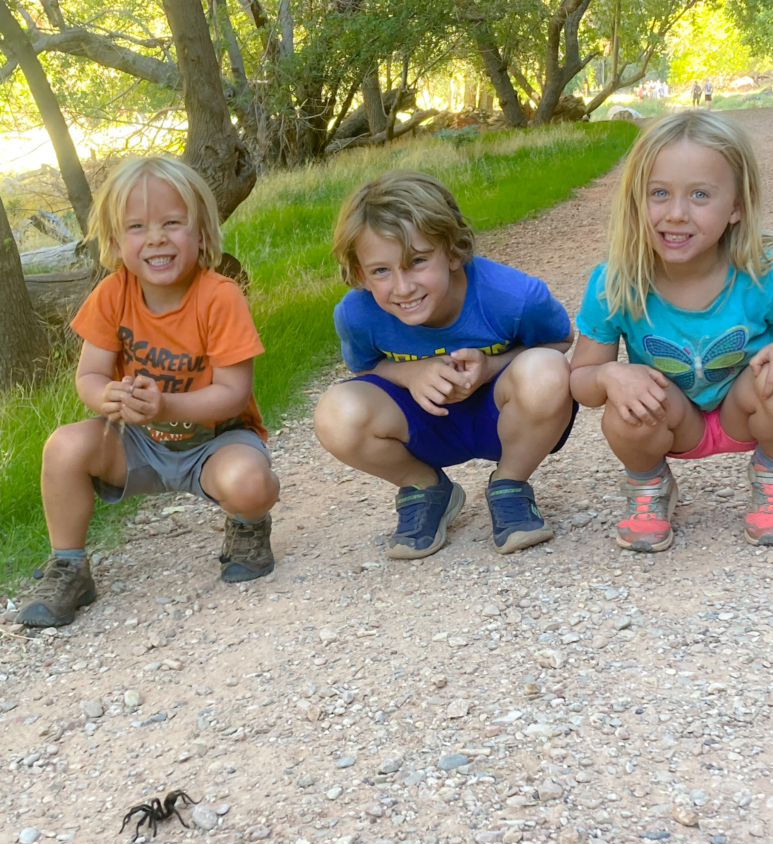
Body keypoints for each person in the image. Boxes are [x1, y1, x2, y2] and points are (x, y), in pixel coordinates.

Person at [17, 156, 280, 627]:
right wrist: (108, 399)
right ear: (116, 242)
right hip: (138, 441)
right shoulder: (112, 294)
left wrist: (167, 404)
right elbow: (90, 377)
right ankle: (69, 565)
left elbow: (234, 394)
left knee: (250, 483)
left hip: (214, 441)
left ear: (200, 232)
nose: (156, 237)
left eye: (172, 223)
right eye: (137, 227)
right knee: (64, 447)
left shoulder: (219, 296)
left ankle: (248, 523)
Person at [314, 170, 576, 560]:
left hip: (499, 419)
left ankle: (510, 484)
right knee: (336, 412)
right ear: (359, 274)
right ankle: (426, 488)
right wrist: (410, 372)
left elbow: (562, 341)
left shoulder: (514, 296)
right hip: (426, 426)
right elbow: (364, 370)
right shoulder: (357, 314)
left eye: (418, 261)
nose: (403, 287)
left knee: (547, 371)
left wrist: (491, 366)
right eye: (381, 271)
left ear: (453, 251)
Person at [570, 110, 773, 552]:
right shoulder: (615, 283)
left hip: (749, 409)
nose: (676, 214)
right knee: (623, 409)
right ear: (636, 201)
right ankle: (649, 483)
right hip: (672, 417)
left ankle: (769, 473)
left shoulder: (763, 274)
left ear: (737, 205)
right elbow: (582, 383)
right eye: (659, 193)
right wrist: (610, 376)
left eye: (700, 194)